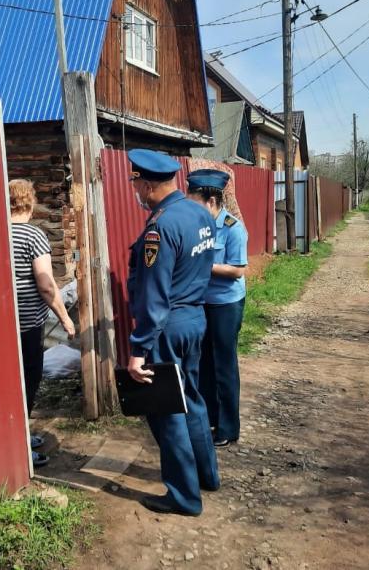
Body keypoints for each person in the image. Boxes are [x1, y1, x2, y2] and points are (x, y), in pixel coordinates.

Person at [126, 149, 220, 517]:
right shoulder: (200, 212)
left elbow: (154, 296)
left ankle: (183, 497)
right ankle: (207, 475)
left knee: (167, 411)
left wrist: (138, 348)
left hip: (167, 327)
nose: (135, 190)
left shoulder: (159, 228)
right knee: (193, 400)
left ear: (148, 185)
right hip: (195, 319)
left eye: (136, 183)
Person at [8, 179, 76, 468]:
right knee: (27, 383)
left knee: (10, 385)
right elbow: (47, 286)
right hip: (27, 326)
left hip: (4, 324)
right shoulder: (33, 236)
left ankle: (18, 435)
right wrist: (65, 318)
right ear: (30, 202)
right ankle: (20, 450)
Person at [187, 169, 249, 447]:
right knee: (204, 362)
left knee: (224, 365)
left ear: (212, 201)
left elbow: (238, 270)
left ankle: (227, 428)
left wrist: (204, 266)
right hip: (203, 302)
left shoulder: (233, 228)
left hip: (226, 304)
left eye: (196, 203)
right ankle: (209, 418)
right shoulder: (198, 226)